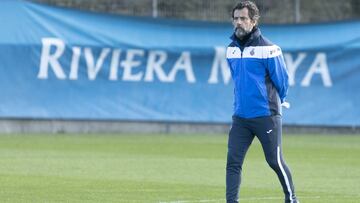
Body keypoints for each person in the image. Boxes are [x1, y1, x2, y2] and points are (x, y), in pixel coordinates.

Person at [225, 1, 299, 203]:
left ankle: (291, 199)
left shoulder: (269, 49)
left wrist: (276, 104)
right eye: (236, 18)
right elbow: (237, 80)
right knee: (233, 162)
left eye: (243, 18)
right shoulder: (230, 50)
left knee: (274, 161)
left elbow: (282, 82)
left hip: (266, 116)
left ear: (254, 21)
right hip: (240, 117)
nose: (238, 22)